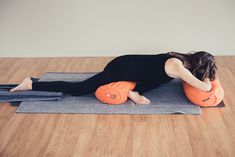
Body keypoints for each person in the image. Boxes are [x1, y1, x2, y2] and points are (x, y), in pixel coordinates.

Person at [10, 51, 217, 105]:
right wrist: (208, 78)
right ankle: (32, 83)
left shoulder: (179, 58)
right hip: (121, 68)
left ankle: (134, 92)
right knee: (80, 89)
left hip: (128, 64)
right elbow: (206, 89)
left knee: (163, 78)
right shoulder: (178, 66)